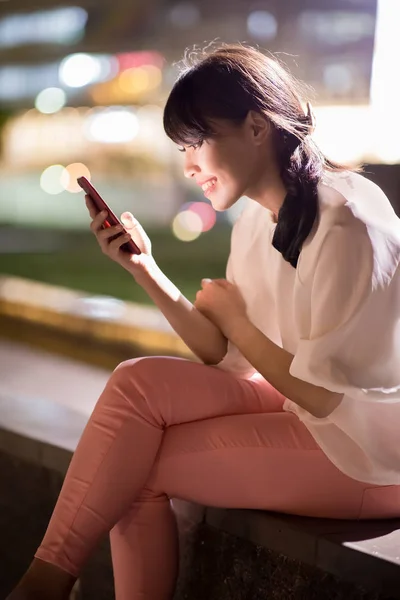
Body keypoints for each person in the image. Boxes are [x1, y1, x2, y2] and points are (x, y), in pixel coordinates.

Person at [7, 43, 400, 600]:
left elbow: (321, 394)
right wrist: (144, 268)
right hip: (317, 420)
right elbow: (229, 357)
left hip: (369, 457)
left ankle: (44, 584)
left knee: (130, 471)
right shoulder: (258, 221)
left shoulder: (346, 223)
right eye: (181, 148)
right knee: (136, 383)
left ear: (258, 127)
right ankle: (45, 580)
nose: (189, 165)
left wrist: (238, 324)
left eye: (197, 142)